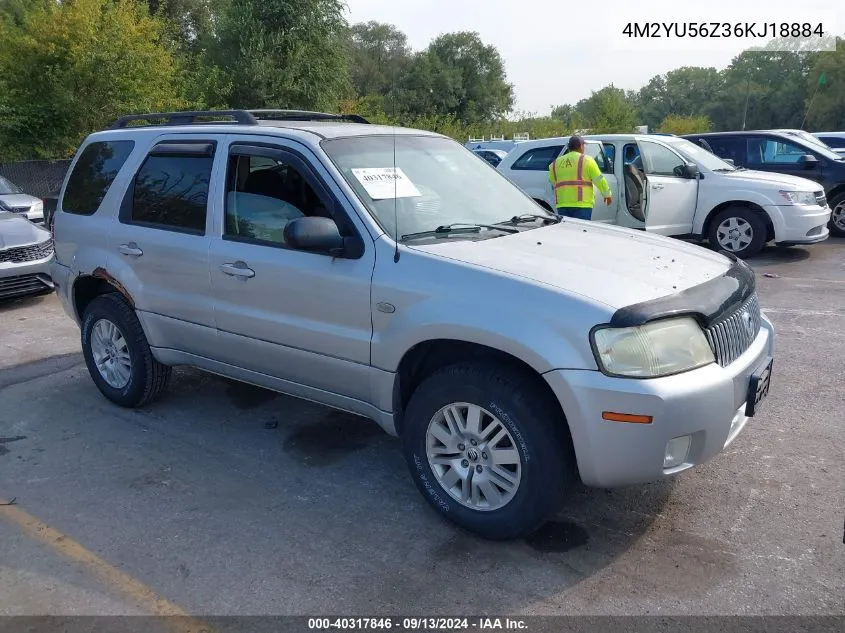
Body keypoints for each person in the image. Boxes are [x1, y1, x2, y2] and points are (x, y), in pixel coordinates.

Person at [549, 136, 612, 220]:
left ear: (568, 147)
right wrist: (607, 194)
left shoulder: (555, 163)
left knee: (567, 231)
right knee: (581, 230)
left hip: (562, 204)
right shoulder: (587, 160)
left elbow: (552, 181)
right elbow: (599, 179)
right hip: (582, 204)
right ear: (581, 146)